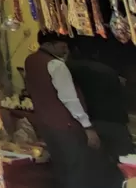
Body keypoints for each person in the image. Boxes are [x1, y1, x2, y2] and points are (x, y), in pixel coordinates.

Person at [22, 32, 122, 188]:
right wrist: (87, 127)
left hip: (47, 124)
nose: (66, 49)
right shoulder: (56, 65)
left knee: (62, 167)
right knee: (77, 169)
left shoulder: (31, 60)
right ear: (49, 44)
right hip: (67, 126)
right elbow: (70, 99)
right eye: (63, 45)